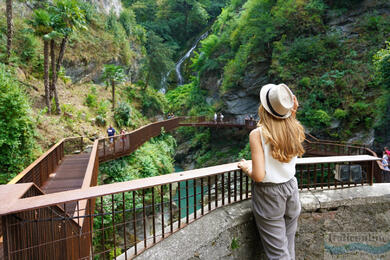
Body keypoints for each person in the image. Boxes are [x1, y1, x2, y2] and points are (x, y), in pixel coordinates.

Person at [238, 83, 305, 260]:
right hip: (291, 189)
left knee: (278, 255)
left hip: (269, 195)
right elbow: (288, 122)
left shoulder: (257, 134)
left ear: (263, 107)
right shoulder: (295, 128)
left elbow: (259, 175)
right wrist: (292, 112)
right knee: (288, 247)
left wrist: (247, 168)